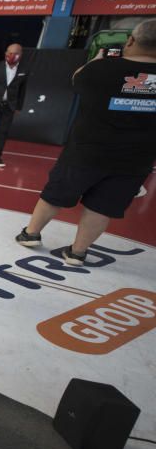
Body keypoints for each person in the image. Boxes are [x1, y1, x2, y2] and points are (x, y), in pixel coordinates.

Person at [16, 19, 156, 266]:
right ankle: (78, 252)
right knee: (103, 206)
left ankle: (31, 233)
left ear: (131, 41)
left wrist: (95, 63)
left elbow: (77, 80)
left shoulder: (102, 69)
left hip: (87, 150)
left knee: (56, 194)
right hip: (136, 159)